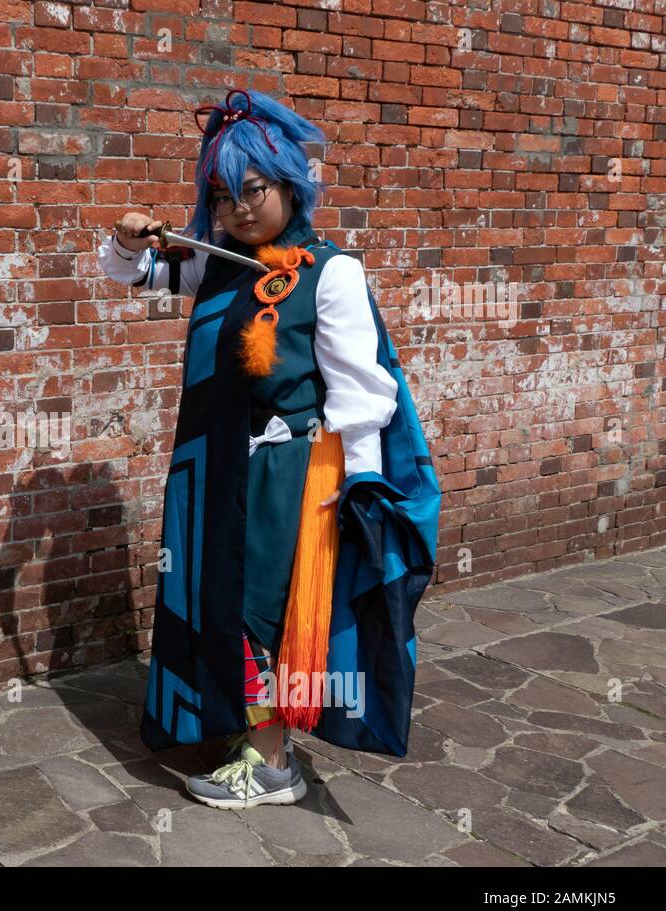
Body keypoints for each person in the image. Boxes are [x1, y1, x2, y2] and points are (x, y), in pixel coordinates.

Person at [97, 89, 438, 810]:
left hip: (292, 473)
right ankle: (247, 731)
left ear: (289, 182)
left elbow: (362, 392)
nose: (238, 210)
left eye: (252, 190)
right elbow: (135, 275)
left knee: (265, 608)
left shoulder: (330, 272)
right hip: (216, 468)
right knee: (218, 597)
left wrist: (360, 488)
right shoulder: (219, 261)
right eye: (221, 197)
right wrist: (130, 241)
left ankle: (274, 760)